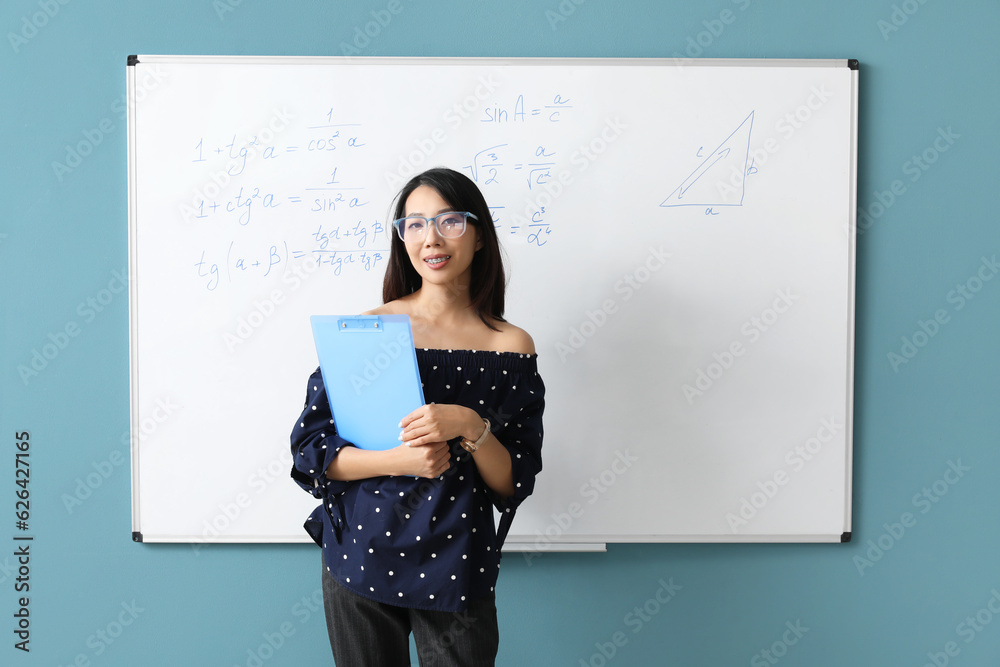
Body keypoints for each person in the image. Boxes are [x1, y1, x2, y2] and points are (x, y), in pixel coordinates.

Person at [290, 167, 545, 666]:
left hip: (459, 560)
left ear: (479, 235)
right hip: (361, 551)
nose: (431, 238)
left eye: (449, 221)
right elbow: (310, 453)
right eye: (414, 224)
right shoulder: (366, 331)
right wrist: (398, 460)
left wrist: (471, 427)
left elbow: (512, 482)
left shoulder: (510, 346)